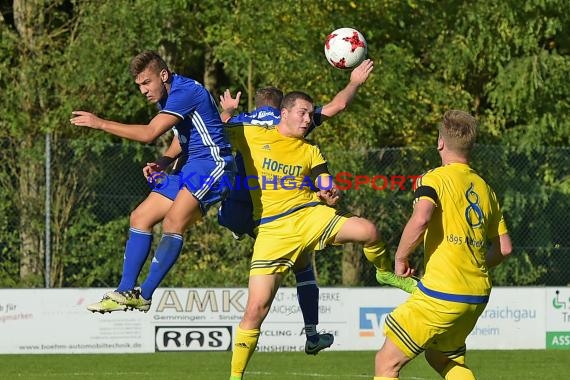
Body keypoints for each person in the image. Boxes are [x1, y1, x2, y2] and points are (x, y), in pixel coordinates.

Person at [225, 92, 417, 380]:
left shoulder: (310, 150)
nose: (307, 119)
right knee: (255, 310)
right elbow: (216, 130)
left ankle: (385, 273)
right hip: (273, 229)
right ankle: (235, 376)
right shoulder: (251, 134)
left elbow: (324, 179)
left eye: (309, 113)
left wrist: (330, 190)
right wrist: (227, 113)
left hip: (309, 216)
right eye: (302, 113)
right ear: (284, 113)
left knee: (368, 230)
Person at [70, 50, 235, 313]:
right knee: (140, 217)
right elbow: (183, 137)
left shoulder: (185, 92)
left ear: (163, 74)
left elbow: (149, 133)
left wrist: (99, 123)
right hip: (190, 167)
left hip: (215, 165)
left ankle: (144, 294)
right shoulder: (168, 96)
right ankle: (125, 292)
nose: (143, 90)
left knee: (173, 222)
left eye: (146, 83)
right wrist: (163, 162)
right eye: (139, 86)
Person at [373, 110, 513, 380]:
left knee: (386, 363)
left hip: (442, 295)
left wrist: (400, 258)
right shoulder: (486, 188)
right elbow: (504, 248)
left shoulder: (433, 179)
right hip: (476, 295)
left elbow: (421, 217)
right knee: (440, 358)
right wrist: (473, 263)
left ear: (440, 142)